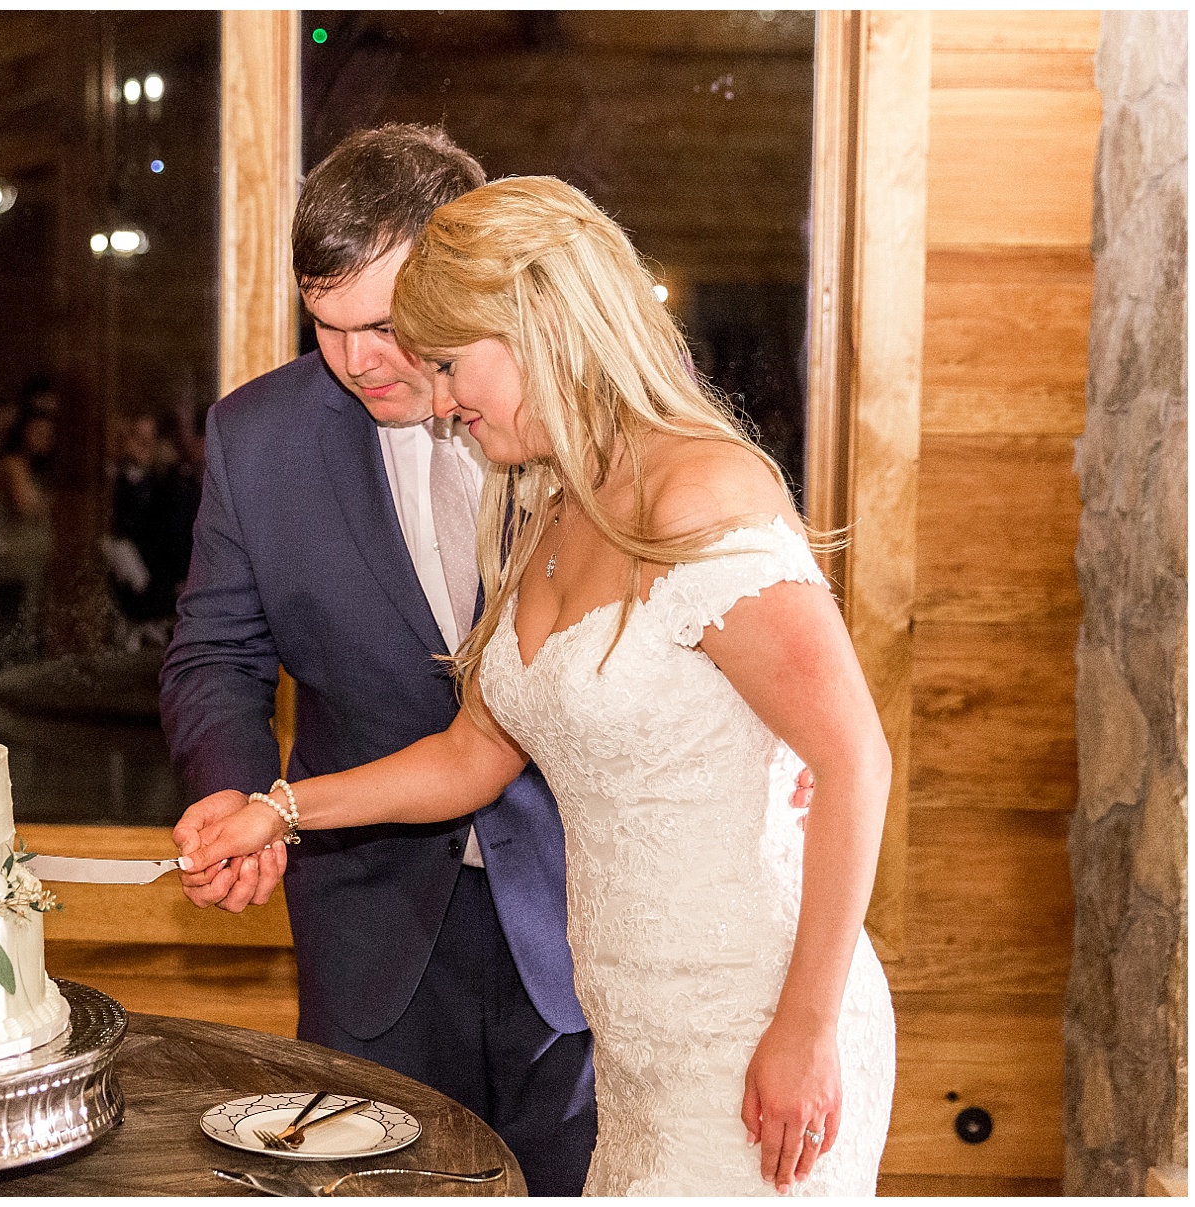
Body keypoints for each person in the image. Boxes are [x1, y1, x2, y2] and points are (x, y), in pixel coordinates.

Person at [173, 177, 897, 1196]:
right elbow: (474, 753)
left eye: (449, 361)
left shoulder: (704, 489)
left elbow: (855, 757)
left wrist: (806, 1026)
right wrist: (279, 809)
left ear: (540, 327)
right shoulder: (553, 502)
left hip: (749, 1017)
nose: (435, 392)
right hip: (639, 1042)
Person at [158, 125, 598, 1195]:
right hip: (372, 922)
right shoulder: (258, 437)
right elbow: (214, 651)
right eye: (326, 326)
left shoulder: (583, 418)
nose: (357, 360)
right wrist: (238, 800)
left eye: (385, 325)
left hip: (588, 906)